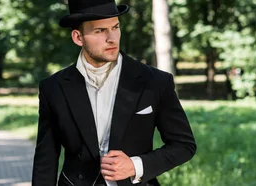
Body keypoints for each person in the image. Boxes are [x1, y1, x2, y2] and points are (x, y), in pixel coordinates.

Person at [31, 0, 196, 185]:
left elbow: (184, 145)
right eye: (99, 31)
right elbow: (46, 160)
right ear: (78, 37)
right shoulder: (53, 88)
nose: (112, 38)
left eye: (115, 27)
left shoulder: (155, 82)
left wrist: (135, 166)